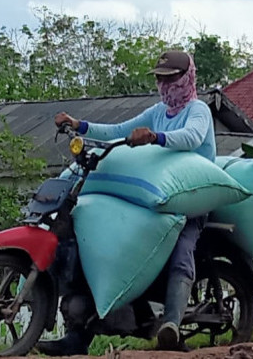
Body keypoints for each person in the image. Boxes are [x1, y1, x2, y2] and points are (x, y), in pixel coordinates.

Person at [37, 50, 215, 354]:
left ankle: (171, 324)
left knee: (183, 249)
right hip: (154, 198)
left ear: (186, 78)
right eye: (160, 78)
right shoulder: (158, 111)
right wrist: (80, 125)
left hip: (189, 202)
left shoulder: (198, 110)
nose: (163, 84)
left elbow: (192, 137)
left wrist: (155, 138)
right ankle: (79, 335)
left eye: (170, 78)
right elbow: (119, 131)